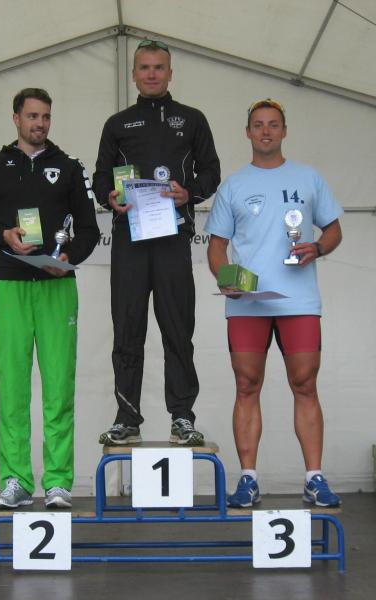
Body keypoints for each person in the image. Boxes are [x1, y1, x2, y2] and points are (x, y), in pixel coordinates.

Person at [0, 88, 99, 509]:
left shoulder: (69, 168)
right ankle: (16, 481)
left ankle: (57, 482)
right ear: (16, 118)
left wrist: (69, 258)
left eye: (46, 117)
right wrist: (2, 236)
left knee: (59, 387)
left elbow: (89, 231)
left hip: (57, 286)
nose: (40, 123)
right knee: (13, 388)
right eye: (33, 116)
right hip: (9, 285)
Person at [205, 98, 343, 508]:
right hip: (248, 303)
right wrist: (226, 278)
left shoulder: (308, 177)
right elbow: (216, 247)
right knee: (247, 385)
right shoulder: (233, 186)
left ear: (284, 131)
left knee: (305, 384)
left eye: (273, 124)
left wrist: (318, 247)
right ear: (247, 132)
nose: (266, 131)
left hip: (299, 301)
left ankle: (314, 478)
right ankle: (248, 478)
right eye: (258, 124)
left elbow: (334, 230)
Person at [93, 39, 220, 446]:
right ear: (134, 74)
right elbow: (100, 177)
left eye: (159, 67)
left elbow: (211, 172)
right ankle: (126, 418)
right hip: (130, 239)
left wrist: (189, 193)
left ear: (170, 73)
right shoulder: (117, 124)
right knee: (127, 328)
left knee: (178, 329)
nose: (151, 74)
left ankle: (182, 416)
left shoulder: (192, 119)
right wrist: (109, 196)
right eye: (145, 67)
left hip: (172, 238)